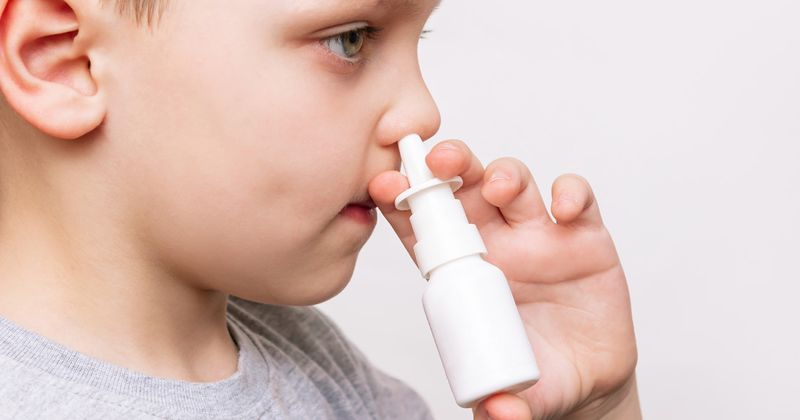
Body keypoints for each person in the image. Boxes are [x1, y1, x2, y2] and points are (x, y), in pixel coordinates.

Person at [0, 0, 641, 419]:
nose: (422, 111)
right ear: (65, 62)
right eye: (351, 41)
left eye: (417, 39)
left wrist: (597, 408)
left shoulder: (324, 372)